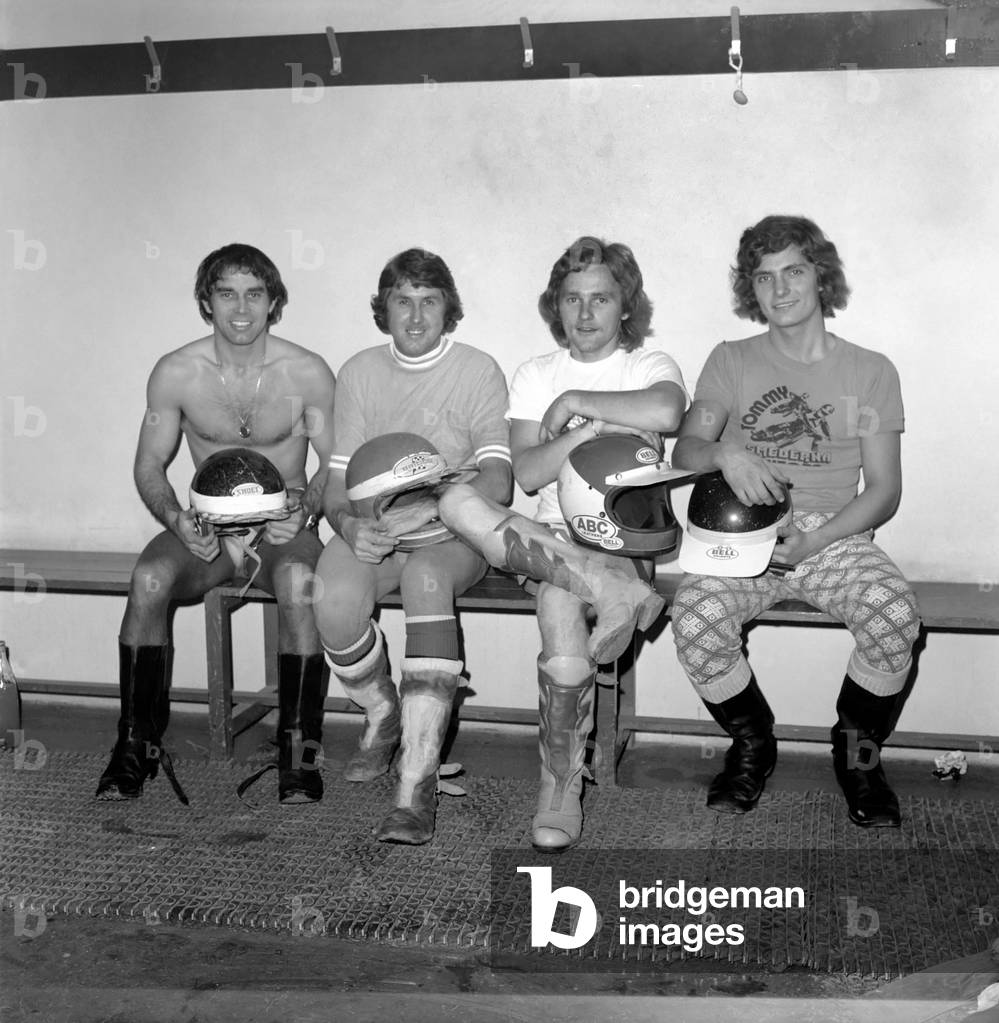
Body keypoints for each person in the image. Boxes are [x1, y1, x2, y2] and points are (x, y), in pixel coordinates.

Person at [669, 215, 921, 828]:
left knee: (894, 613)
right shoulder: (730, 360)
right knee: (694, 614)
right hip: (741, 533)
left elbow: (884, 490)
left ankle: (857, 757)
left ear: (819, 276)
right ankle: (752, 743)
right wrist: (724, 453)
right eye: (763, 277)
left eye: (794, 272)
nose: (779, 289)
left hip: (833, 532)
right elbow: (686, 450)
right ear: (750, 290)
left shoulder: (870, 371)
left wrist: (815, 540)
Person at [439, 236, 688, 852]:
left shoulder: (647, 367)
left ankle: (559, 787)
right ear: (557, 305)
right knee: (456, 500)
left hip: (623, 541)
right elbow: (526, 475)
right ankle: (613, 595)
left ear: (625, 305)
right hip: (548, 538)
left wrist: (575, 406)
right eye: (572, 299)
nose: (585, 312)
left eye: (600, 298)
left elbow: (667, 412)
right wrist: (591, 432)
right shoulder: (536, 374)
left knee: (556, 601)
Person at [96, 243, 335, 805]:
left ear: (273, 301)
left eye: (254, 294)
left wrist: (305, 510)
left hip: (281, 528)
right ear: (207, 301)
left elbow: (335, 463)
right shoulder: (177, 373)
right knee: (149, 579)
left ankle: (297, 754)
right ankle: (134, 746)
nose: (241, 308)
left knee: (300, 584)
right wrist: (175, 519)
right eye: (227, 293)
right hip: (207, 530)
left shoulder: (306, 372)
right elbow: (149, 464)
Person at [314, 248, 512, 846]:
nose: (417, 316)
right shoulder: (359, 372)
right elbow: (336, 482)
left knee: (425, 577)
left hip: (453, 534)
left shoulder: (477, 369)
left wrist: (431, 508)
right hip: (377, 530)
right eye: (403, 301)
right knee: (329, 598)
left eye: (430, 301)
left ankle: (416, 783)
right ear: (385, 308)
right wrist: (348, 526)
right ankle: (384, 713)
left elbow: (499, 480)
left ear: (449, 308)